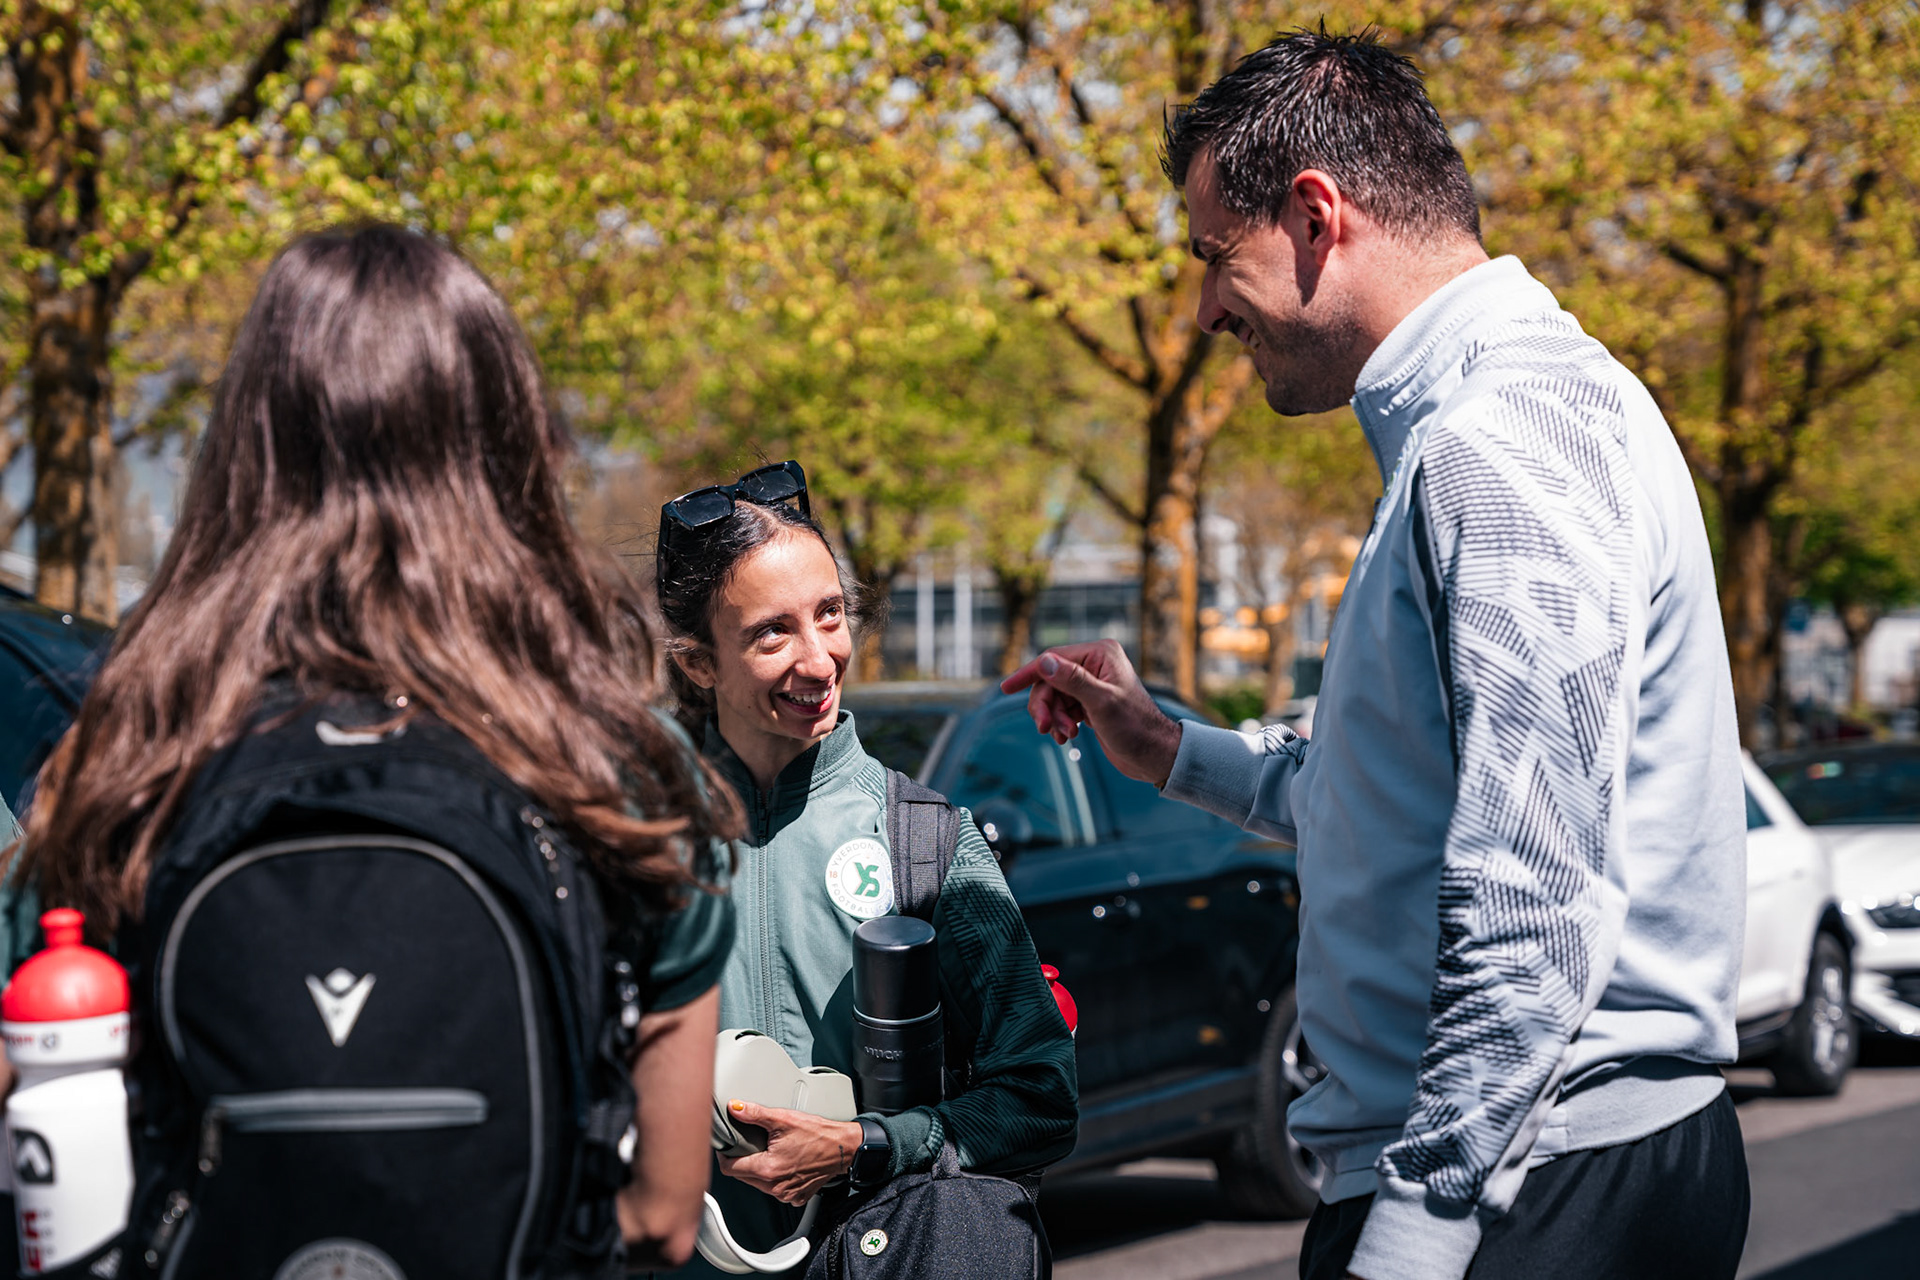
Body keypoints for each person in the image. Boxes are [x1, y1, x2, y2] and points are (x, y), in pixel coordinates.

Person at [1004, 29, 1749, 1280]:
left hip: (1525, 1191)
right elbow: (1412, 799)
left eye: (1211, 260)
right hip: (1527, 1177)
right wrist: (1172, 747)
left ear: (1313, 217)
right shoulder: (1482, 428)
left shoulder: (1501, 442)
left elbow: (1534, 895)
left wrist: (1415, 1229)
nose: (1201, 312)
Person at [5, 224, 735, 1270]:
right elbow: (664, 1211)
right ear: (510, 451)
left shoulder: (132, 758)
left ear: (247, 455)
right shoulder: (615, 767)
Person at [650, 462, 1077, 1278]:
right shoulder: (637, 840)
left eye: (831, 615)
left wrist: (868, 1146)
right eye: (773, 632)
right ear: (699, 662)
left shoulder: (928, 841)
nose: (819, 660)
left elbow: (1041, 1101)